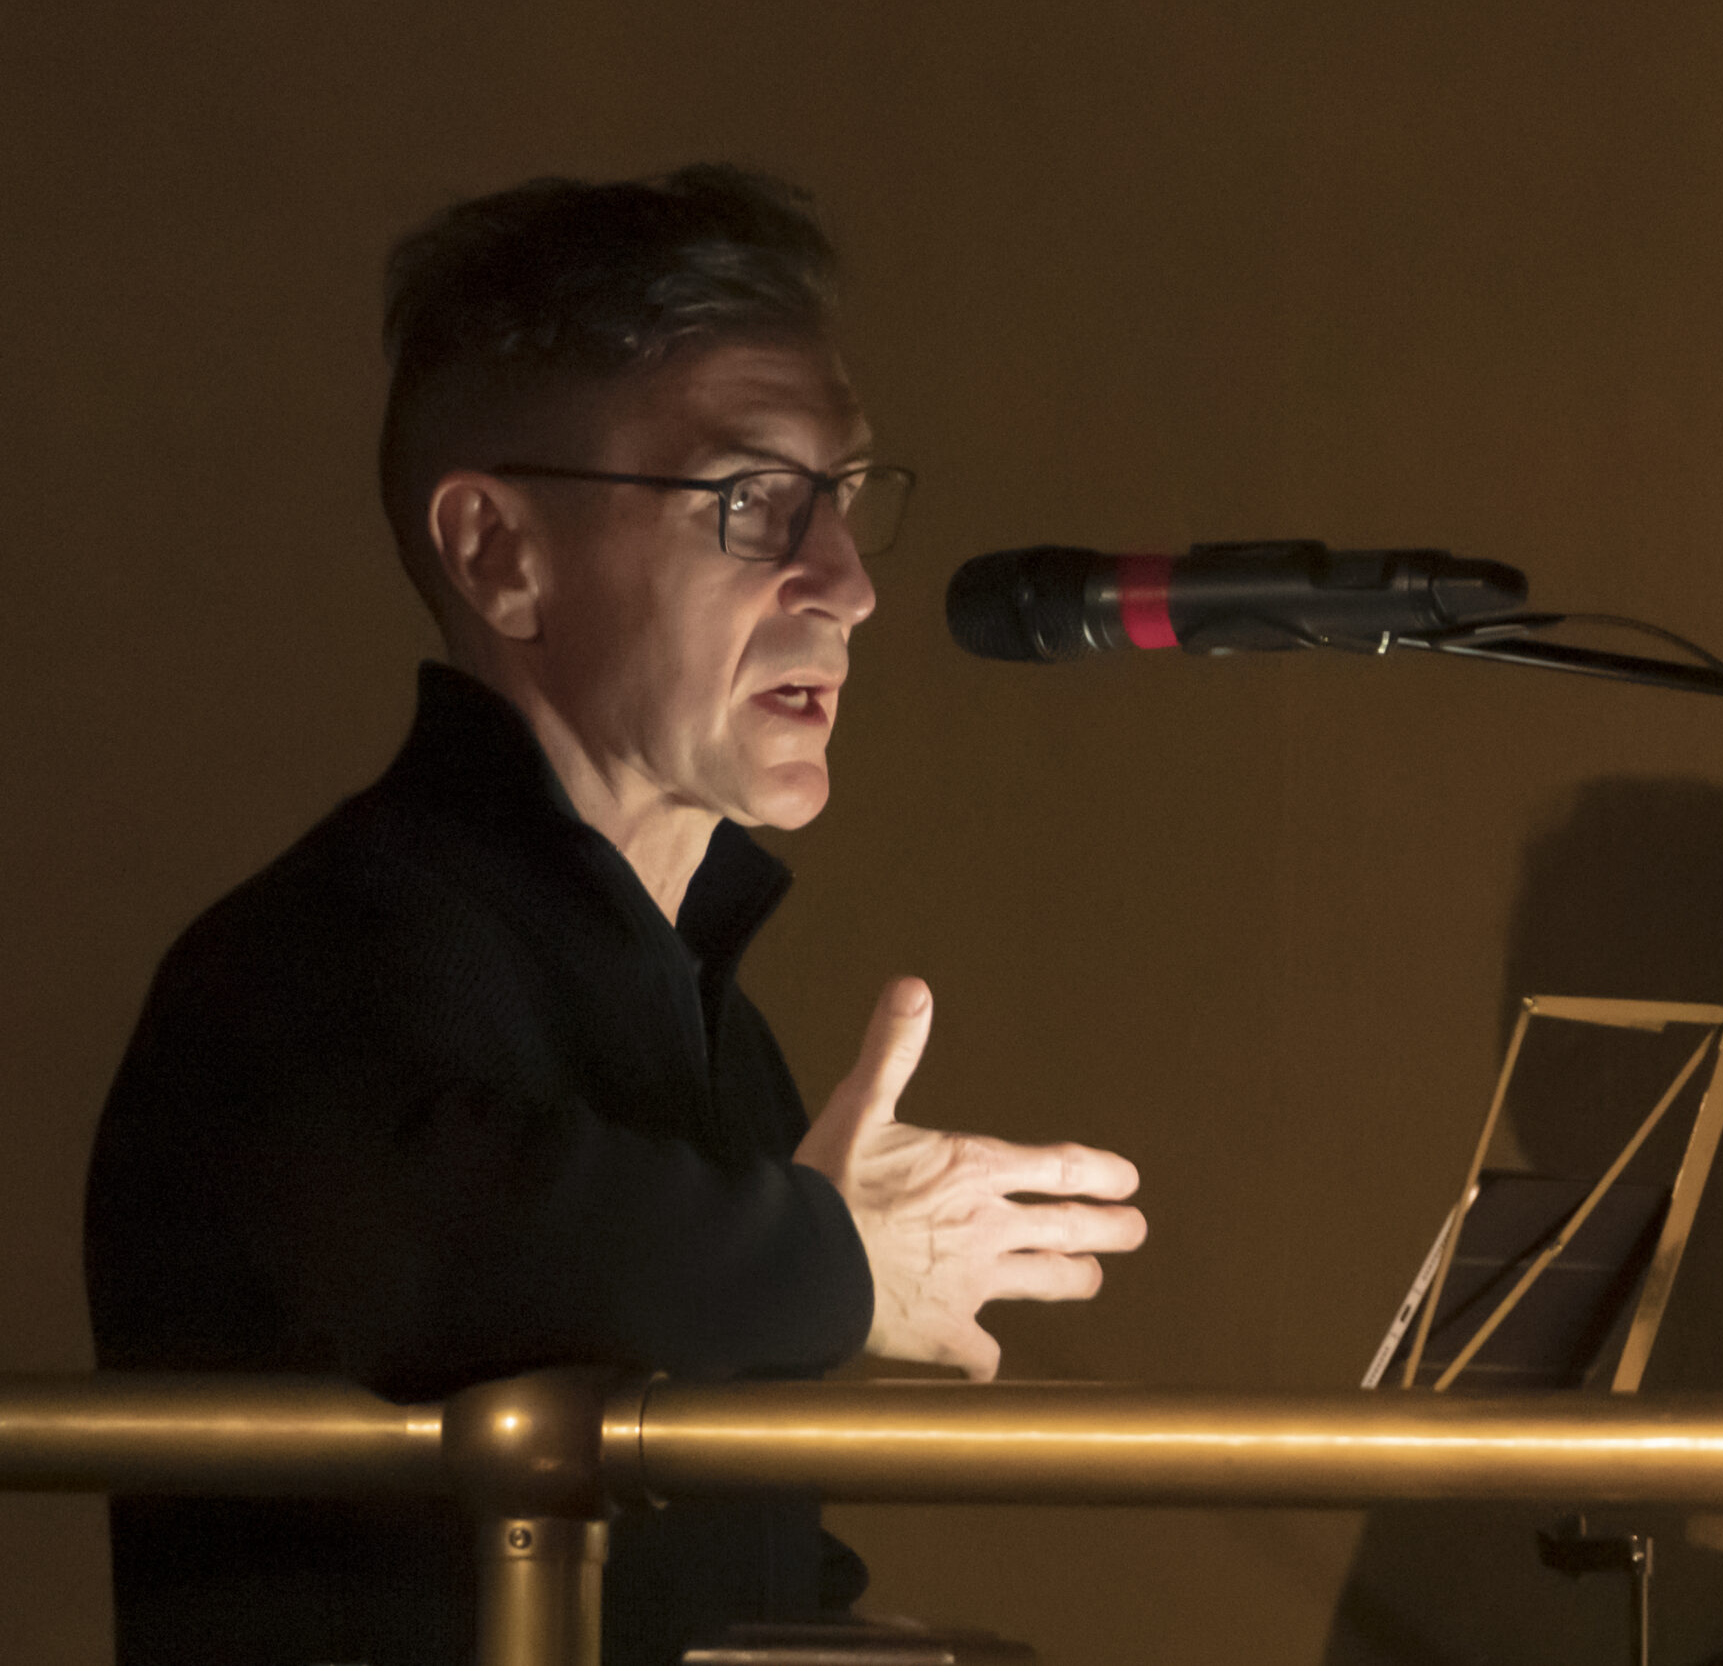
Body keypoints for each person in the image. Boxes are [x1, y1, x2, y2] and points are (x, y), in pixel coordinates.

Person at [82, 164, 1147, 1666]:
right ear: (499, 555)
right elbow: (458, 1246)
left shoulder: (719, 1030)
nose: (843, 583)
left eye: (841, 501)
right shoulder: (306, 965)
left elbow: (727, 1554)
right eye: (751, 501)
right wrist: (839, 1260)